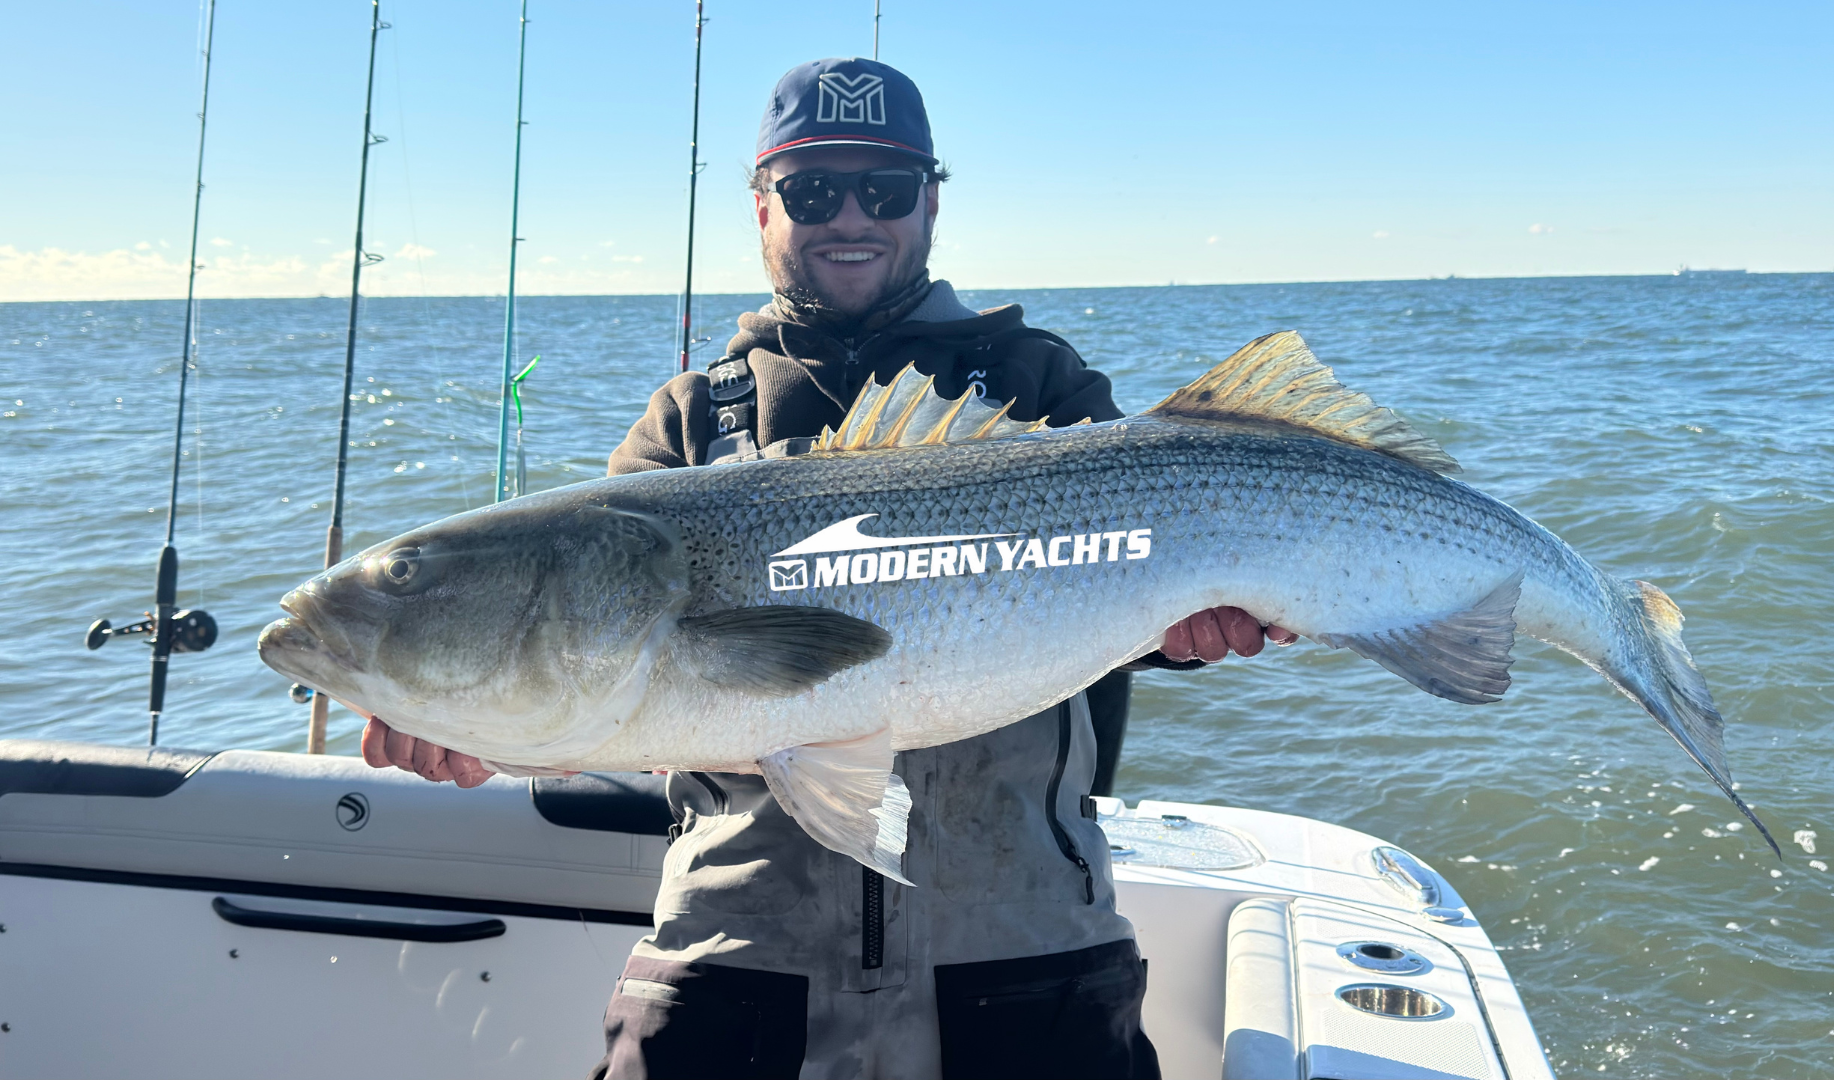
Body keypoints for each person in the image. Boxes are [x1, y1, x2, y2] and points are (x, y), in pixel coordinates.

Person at [361, 58, 1292, 1079]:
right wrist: (479, 723)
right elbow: (602, 678)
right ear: (761, 207)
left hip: (1028, 943)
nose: (850, 215)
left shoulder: (1039, 381)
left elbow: (1129, 592)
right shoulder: (689, 420)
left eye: (884, 188)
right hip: (739, 948)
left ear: (930, 201)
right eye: (810, 190)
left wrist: (1198, 636)